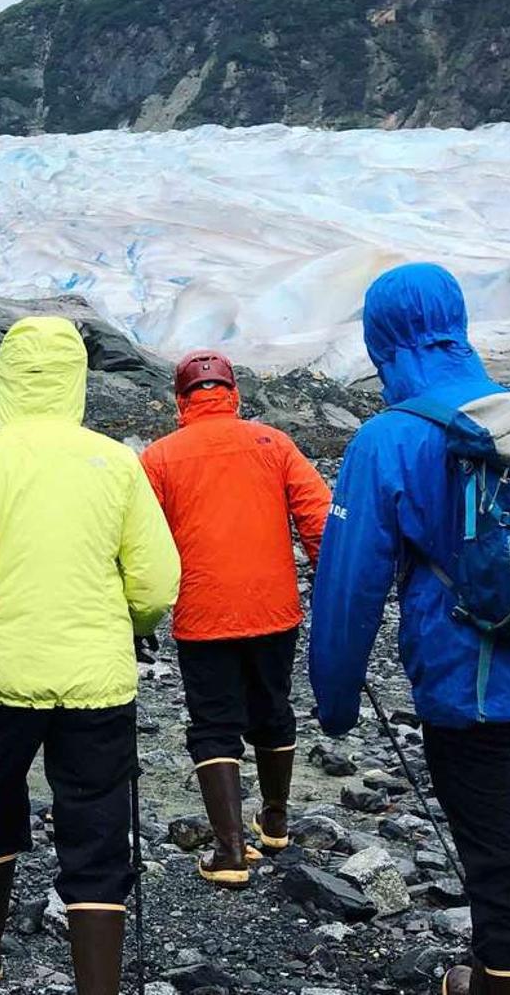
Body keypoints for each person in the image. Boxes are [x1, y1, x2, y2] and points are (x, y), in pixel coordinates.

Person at [308, 264, 510, 995]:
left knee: (506, 875)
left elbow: (348, 588)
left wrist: (337, 698)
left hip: (475, 694)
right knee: (507, 848)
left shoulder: (387, 440)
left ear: (383, 339)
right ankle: (482, 978)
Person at [0, 317, 181, 995]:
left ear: (4, 378)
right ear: (76, 381)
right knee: (96, 826)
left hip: (2, 672)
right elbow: (156, 581)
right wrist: (124, 625)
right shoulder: (117, 462)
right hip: (97, 678)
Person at [140, 349, 331, 888]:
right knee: (273, 709)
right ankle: (274, 820)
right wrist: (334, 588)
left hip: (203, 615)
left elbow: (141, 542)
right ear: (234, 394)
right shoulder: (273, 443)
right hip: (274, 609)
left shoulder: (158, 458)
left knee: (214, 724)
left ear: (179, 401)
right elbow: (317, 517)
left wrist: (139, 610)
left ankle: (229, 852)